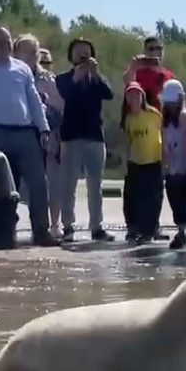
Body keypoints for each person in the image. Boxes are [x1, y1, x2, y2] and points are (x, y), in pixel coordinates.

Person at [0, 25, 57, 246]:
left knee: (38, 183)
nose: (5, 46)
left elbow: (34, 101)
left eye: (8, 42)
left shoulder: (22, 69)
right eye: (0, 42)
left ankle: (42, 231)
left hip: (24, 133)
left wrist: (43, 129)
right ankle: (1, 232)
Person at [55, 37, 115, 242]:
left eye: (87, 51)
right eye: (79, 51)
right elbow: (66, 94)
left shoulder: (97, 79)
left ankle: (96, 226)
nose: (83, 54)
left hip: (95, 137)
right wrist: (77, 77)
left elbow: (109, 94)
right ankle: (68, 227)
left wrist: (95, 74)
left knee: (95, 185)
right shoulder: (63, 78)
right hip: (71, 137)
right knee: (68, 184)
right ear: (71, 55)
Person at [14, 36, 64, 235]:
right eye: (25, 52)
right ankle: (11, 224)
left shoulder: (49, 79)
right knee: (17, 184)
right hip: (20, 135)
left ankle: (52, 226)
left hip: (48, 137)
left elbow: (61, 107)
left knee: (50, 182)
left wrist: (44, 105)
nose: (30, 57)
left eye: (33, 52)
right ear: (16, 53)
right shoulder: (10, 75)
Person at [120, 82, 164, 243]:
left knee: (152, 198)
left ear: (142, 97)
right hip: (135, 162)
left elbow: (164, 135)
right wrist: (124, 163)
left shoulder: (154, 115)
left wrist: (166, 159)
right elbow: (127, 141)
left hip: (153, 162)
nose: (134, 98)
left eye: (137, 95)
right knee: (131, 198)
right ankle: (133, 228)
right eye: (130, 95)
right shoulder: (129, 119)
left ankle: (149, 230)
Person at [160, 79, 186, 249]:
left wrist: (179, 168)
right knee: (175, 198)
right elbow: (165, 145)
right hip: (172, 167)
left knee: (179, 197)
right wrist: (166, 166)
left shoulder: (185, 116)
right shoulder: (164, 121)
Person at [123, 36, 176, 109]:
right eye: (152, 49)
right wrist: (133, 66)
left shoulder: (169, 75)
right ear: (145, 51)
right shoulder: (137, 71)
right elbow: (127, 82)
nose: (157, 52)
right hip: (141, 116)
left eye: (160, 48)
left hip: (162, 117)